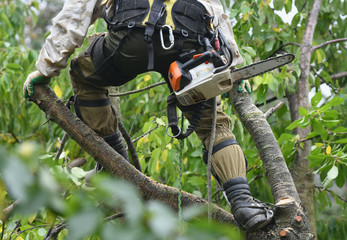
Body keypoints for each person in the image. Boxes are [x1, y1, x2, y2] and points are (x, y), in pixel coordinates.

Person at [24, 0, 273, 231]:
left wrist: (45, 69)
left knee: (83, 73)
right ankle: (244, 204)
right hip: (189, 44)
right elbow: (216, 13)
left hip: (131, 37)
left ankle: (116, 165)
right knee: (214, 126)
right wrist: (233, 67)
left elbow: (75, 15)